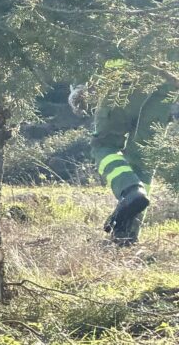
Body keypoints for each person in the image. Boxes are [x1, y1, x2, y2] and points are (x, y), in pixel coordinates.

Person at [73, 75, 174, 245]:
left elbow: (87, 50)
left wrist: (79, 86)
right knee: (144, 158)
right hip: (166, 86)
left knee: (104, 145)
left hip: (123, 81)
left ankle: (129, 189)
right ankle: (127, 233)